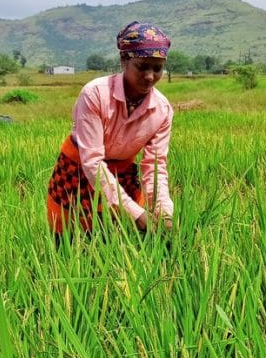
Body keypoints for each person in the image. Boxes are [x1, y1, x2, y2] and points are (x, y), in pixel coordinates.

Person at [46, 21, 174, 238]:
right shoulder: (95, 94)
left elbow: (155, 166)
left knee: (119, 241)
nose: (150, 76)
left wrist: (164, 212)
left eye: (157, 68)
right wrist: (135, 212)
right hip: (77, 173)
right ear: (124, 60)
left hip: (121, 176)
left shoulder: (162, 110)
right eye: (142, 67)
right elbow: (92, 162)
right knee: (70, 241)